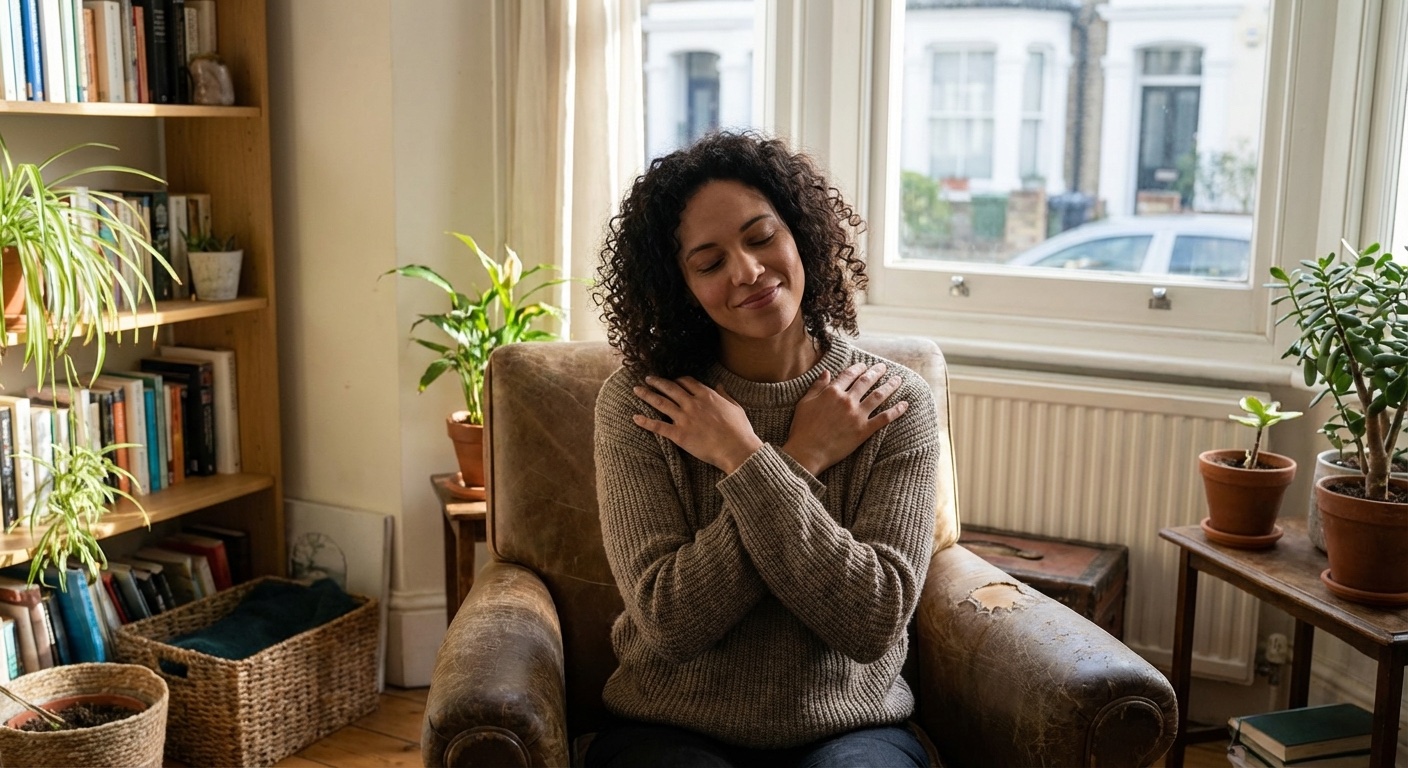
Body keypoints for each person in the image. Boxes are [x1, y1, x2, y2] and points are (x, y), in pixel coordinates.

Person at [588, 130, 939, 768]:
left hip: (850, 730)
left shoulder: (895, 400)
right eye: (709, 261)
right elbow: (669, 623)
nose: (747, 272)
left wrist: (749, 463)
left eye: (760, 237)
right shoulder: (641, 405)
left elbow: (874, 622)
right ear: (680, 285)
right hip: (670, 726)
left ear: (800, 234)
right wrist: (793, 459)